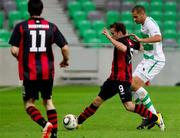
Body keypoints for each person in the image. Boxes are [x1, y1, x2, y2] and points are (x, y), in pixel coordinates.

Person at [77, 22, 161, 129]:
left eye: (113, 33)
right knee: (97, 101)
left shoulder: (122, 41)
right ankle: (78, 121)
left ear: (120, 32)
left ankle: (152, 117)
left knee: (129, 106)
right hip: (113, 79)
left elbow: (123, 48)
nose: (112, 35)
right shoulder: (129, 41)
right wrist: (138, 40)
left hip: (122, 79)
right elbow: (140, 47)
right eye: (111, 34)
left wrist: (109, 38)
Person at [9, 0, 69, 138]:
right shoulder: (51, 27)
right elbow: (65, 47)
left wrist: (21, 59)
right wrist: (65, 60)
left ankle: (44, 124)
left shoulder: (21, 27)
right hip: (47, 71)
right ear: (42, 10)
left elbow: (13, 50)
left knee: (29, 103)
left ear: (28, 10)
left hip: (30, 72)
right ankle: (54, 134)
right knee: (48, 101)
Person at [131, 5, 165, 130]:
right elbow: (147, 44)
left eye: (135, 17)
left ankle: (155, 117)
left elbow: (158, 38)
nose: (134, 19)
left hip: (155, 60)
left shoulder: (150, 23)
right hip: (147, 59)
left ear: (142, 14)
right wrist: (137, 46)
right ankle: (147, 117)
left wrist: (141, 40)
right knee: (131, 87)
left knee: (134, 85)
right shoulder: (143, 25)